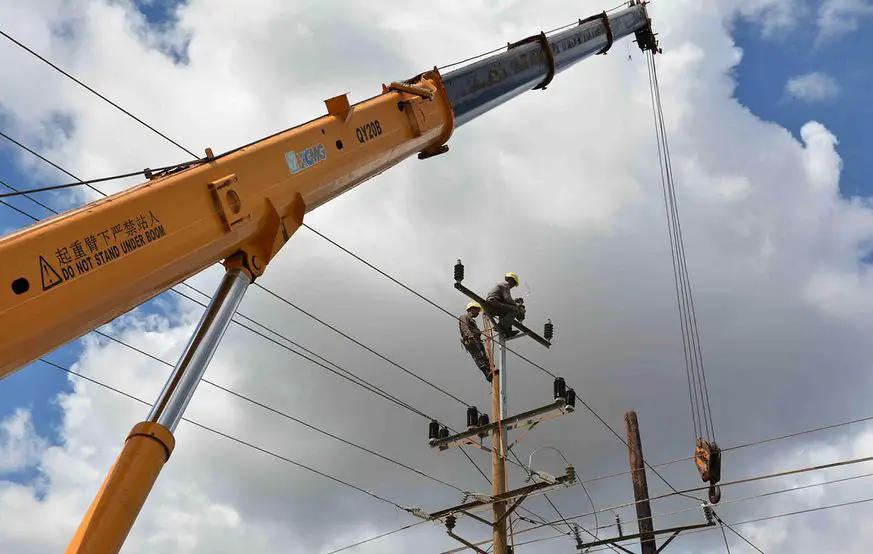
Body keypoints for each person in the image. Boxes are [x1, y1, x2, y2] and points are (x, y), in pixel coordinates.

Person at [459, 302, 492, 382]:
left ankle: (490, 369)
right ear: (472, 309)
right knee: (478, 357)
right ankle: (486, 373)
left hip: (476, 340)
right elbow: (464, 327)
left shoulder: (472, 320)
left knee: (484, 356)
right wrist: (470, 336)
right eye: (477, 310)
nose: (478, 313)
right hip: (471, 340)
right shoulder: (464, 316)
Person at [485, 272, 524, 337]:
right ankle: (500, 326)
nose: (513, 286)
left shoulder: (503, 286)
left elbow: (506, 301)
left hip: (494, 304)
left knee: (507, 310)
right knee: (515, 310)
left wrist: (514, 301)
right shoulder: (505, 284)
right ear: (511, 279)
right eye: (514, 283)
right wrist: (517, 305)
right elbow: (507, 298)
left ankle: (507, 331)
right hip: (493, 302)